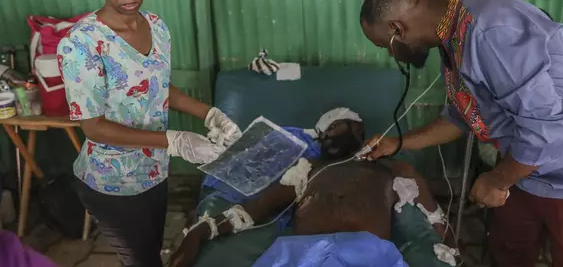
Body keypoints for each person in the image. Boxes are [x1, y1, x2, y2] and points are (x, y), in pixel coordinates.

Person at [358, 0, 563, 266]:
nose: (389, 54)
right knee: (508, 249)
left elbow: (547, 127)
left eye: (385, 45)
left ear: (397, 29)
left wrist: (497, 179)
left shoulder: (487, 30)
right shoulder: (454, 37)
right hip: (532, 164)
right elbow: (463, 118)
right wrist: (398, 143)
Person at [48, 0, 242, 267]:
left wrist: (210, 114)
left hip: (153, 172)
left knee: (149, 253)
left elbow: (155, 90)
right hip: (111, 183)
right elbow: (93, 127)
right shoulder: (82, 43)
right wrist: (175, 141)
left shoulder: (156, 26)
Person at [170, 108, 457, 267]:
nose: (324, 135)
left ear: (357, 128)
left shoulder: (394, 171)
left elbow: (435, 224)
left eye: (333, 126)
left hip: (367, 256)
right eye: (320, 133)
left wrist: (451, 255)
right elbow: (253, 211)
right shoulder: (307, 168)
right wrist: (200, 232)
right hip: (300, 256)